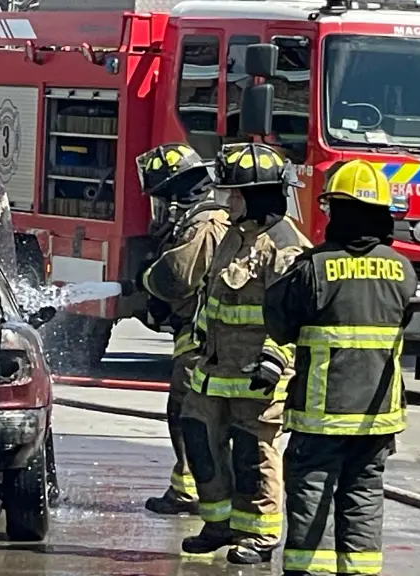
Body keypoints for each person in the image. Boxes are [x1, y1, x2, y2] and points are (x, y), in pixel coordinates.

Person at [263, 160, 418, 576]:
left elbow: (279, 322)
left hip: (322, 414)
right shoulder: (402, 269)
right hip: (377, 417)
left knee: (312, 493)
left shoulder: (314, 268)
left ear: (338, 211)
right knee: (364, 495)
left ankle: (308, 570)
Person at [181, 142, 311, 565]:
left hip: (257, 377)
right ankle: (218, 522)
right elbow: (215, 298)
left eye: (234, 194)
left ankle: (259, 534)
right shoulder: (234, 236)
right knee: (199, 438)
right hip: (215, 370)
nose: (226, 201)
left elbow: (293, 314)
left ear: (257, 196)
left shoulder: (284, 246)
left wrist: (274, 361)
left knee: (253, 453)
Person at [131, 143, 229, 516]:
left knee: (188, 412)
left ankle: (190, 491)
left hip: (202, 337)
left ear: (176, 192)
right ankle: (190, 487)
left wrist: (147, 280)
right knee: (188, 412)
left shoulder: (205, 223)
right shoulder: (200, 219)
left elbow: (179, 276)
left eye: (161, 197)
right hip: (198, 334)